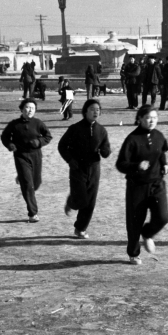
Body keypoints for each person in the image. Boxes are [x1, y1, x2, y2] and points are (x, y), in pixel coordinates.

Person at [116, 105, 168, 265]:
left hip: (157, 183)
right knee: (135, 221)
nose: (152, 121)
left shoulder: (159, 135)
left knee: (163, 216)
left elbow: (161, 152)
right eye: (148, 118)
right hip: (137, 186)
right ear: (139, 119)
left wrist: (164, 164)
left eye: (154, 117)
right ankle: (133, 253)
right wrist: (136, 166)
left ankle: (147, 233)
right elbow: (121, 164)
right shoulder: (132, 139)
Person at [58, 98, 111, 239]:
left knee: (90, 201)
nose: (95, 112)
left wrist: (105, 151)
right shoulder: (75, 128)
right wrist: (70, 160)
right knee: (81, 199)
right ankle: (72, 201)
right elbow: (62, 146)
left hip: (94, 168)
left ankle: (80, 228)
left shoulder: (101, 130)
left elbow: (106, 149)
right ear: (85, 111)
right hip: (77, 167)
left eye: (98, 110)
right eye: (92, 109)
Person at [0, 99, 52, 223]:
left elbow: (48, 136)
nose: (30, 110)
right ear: (22, 109)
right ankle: (33, 213)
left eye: (32, 108)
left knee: (36, 183)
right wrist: (10, 145)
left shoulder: (38, 123)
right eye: (27, 107)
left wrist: (39, 142)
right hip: (20, 155)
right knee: (28, 185)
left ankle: (22, 176)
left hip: (36, 155)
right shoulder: (14, 124)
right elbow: (4, 136)